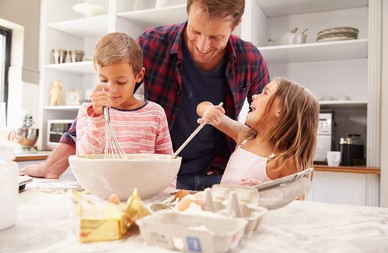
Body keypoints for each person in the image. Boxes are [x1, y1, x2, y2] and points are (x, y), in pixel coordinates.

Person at [21, 0, 270, 190]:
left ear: (236, 24)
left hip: (216, 176)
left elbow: (267, 127)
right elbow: (105, 97)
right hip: (155, 177)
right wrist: (53, 166)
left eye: (217, 37)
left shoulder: (249, 59)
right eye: (195, 31)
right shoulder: (152, 44)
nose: (203, 46)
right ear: (188, 8)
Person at [196, 77, 319, 185]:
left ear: (281, 110)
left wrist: (266, 194)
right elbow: (201, 107)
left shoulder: (285, 162)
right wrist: (209, 110)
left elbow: (297, 204)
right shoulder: (245, 136)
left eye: (265, 93)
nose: (254, 96)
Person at [76, 32, 173, 156]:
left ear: (139, 76)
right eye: (103, 80)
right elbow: (84, 157)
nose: (112, 89)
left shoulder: (155, 113)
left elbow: (167, 164)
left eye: (121, 82)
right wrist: (97, 118)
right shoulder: (88, 111)